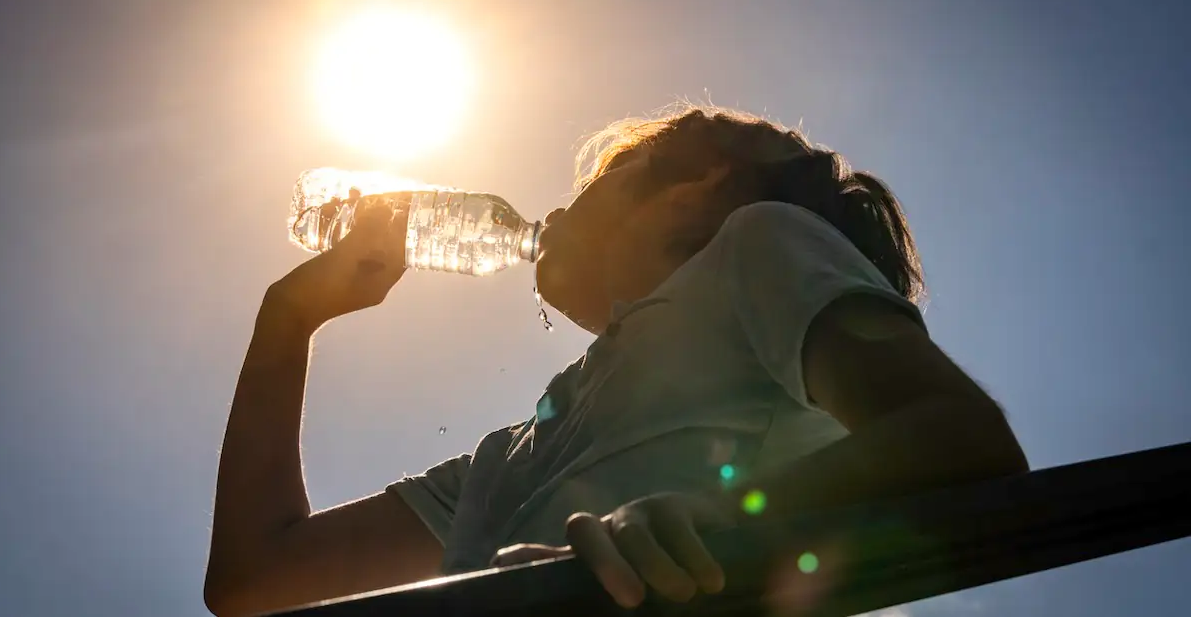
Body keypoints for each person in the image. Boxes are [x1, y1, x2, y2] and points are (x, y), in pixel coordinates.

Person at [204, 107, 1029, 617]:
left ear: (691, 184)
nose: (561, 204)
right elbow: (254, 578)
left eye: (609, 170)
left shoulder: (761, 241)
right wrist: (289, 318)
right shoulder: (514, 455)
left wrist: (726, 522)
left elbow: (960, 438)